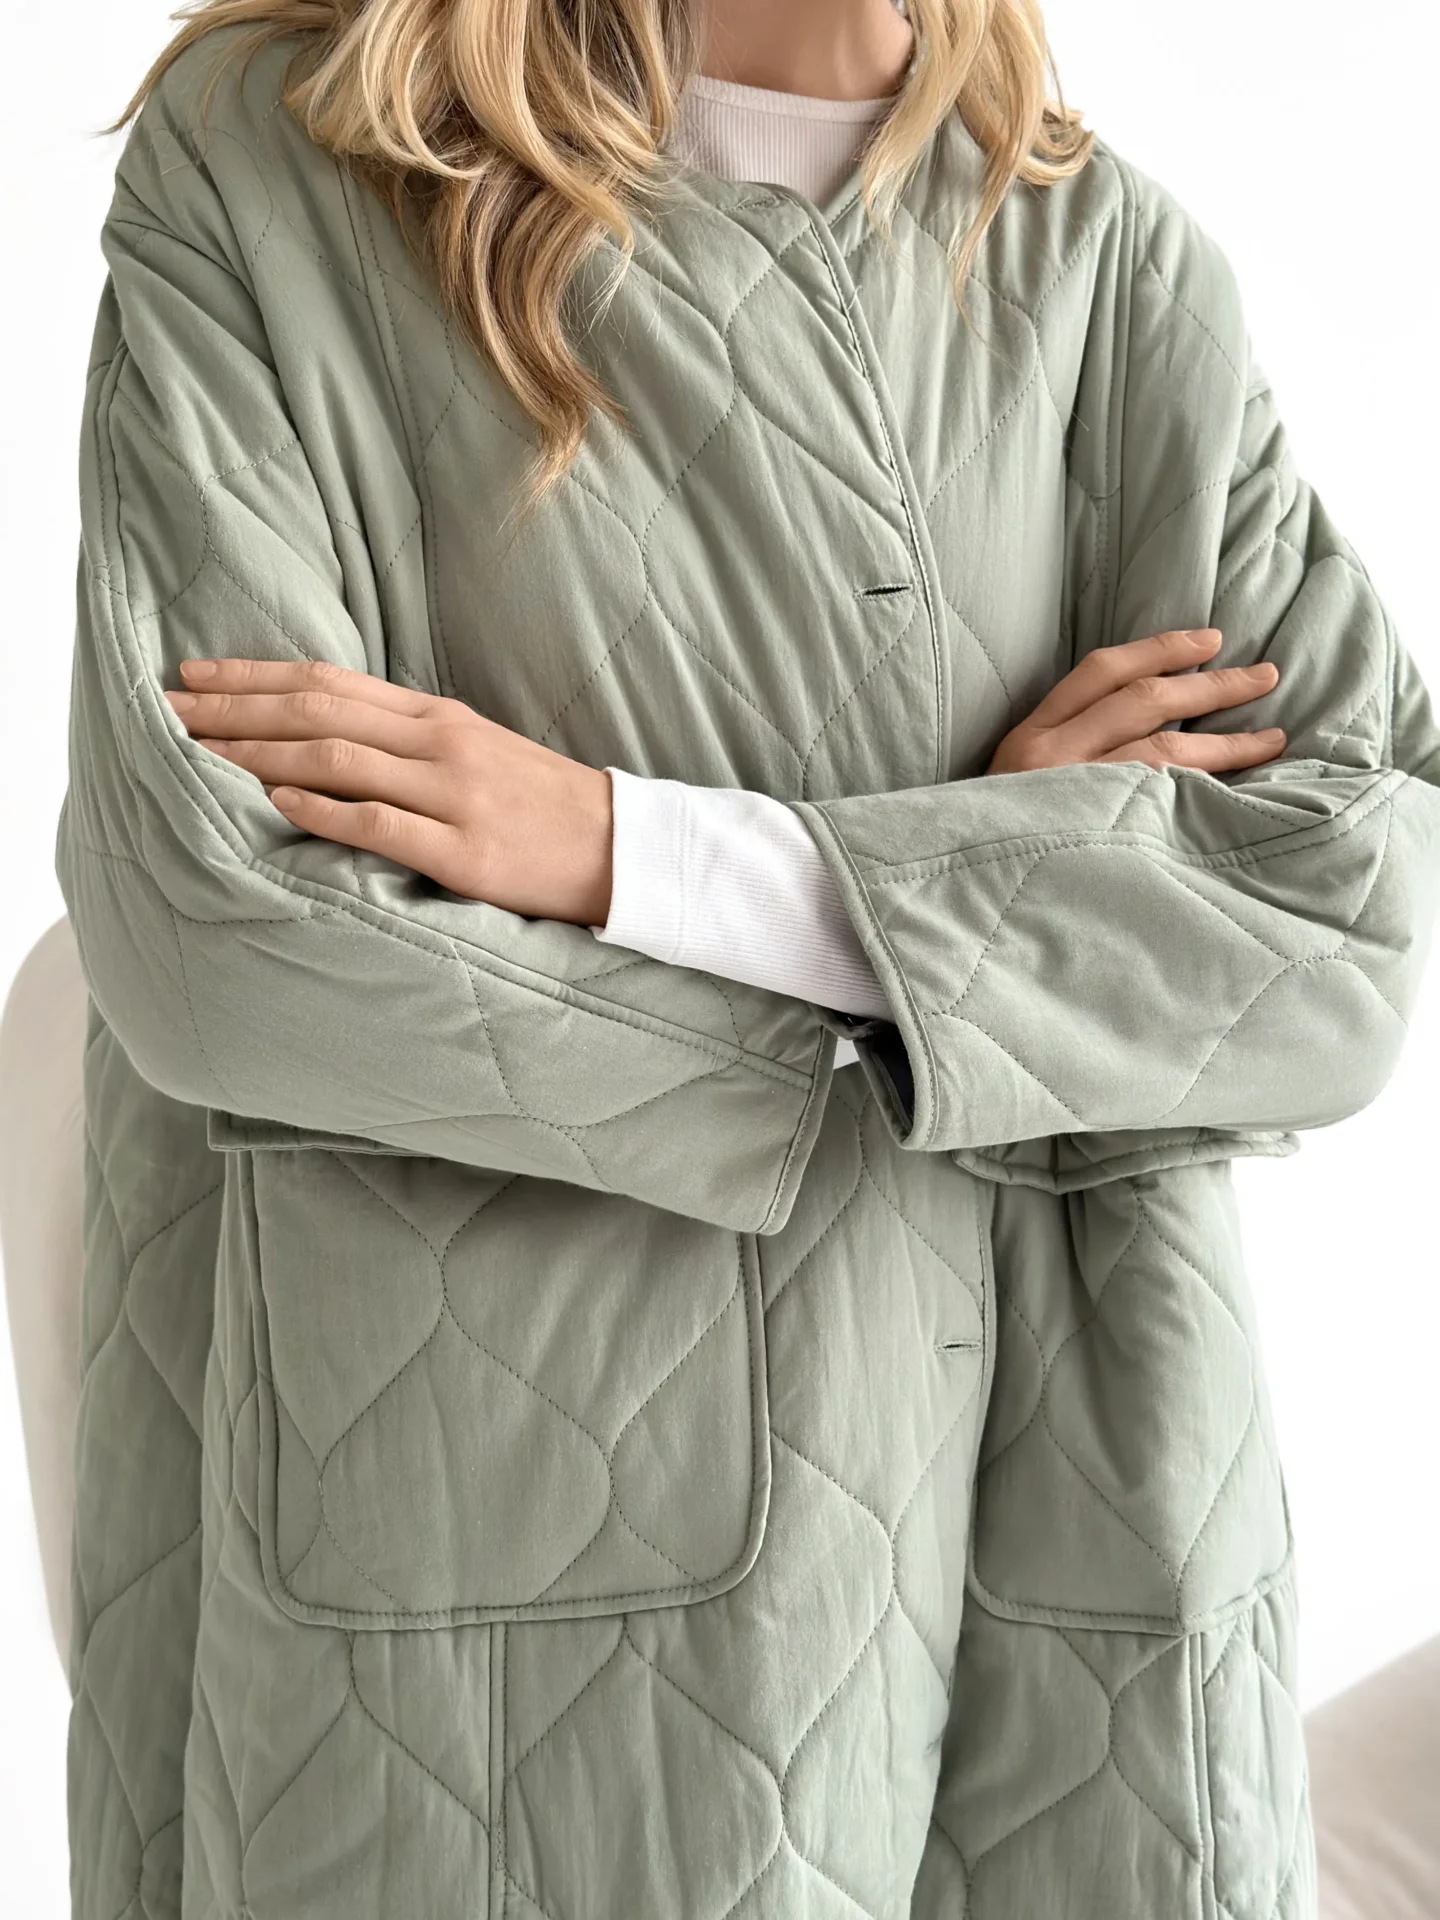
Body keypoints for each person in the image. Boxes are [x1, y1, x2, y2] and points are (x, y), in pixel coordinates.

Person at [9, 0, 1440, 1914]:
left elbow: (1347, 920)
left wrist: (644, 856)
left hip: (1091, 1562)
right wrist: (997, 928)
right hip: (513, 1615)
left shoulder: (1108, 267)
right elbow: (224, 933)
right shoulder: (290, 162)